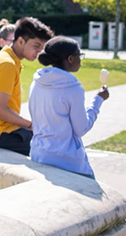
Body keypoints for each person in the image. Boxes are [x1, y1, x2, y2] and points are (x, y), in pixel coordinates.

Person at [28, 36, 109, 177]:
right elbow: (81, 129)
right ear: (70, 59)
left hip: (39, 155)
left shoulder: (36, 83)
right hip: (67, 162)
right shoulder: (72, 88)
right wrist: (98, 100)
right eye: (80, 55)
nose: (81, 60)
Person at [0, 16, 54, 156]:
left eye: (42, 48)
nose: (39, 52)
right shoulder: (7, 64)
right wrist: (29, 124)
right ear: (20, 41)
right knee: (53, 147)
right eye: (36, 46)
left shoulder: (7, 58)